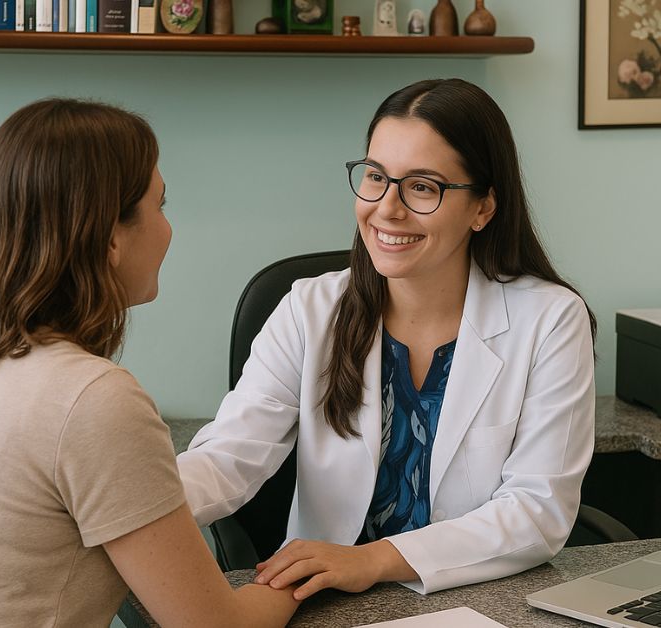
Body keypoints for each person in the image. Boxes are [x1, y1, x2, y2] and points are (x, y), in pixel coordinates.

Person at [0, 99, 297, 627]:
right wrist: (301, 578)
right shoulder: (93, 399)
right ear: (111, 236)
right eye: (161, 205)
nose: (168, 229)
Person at [176, 78, 597, 598]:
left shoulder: (550, 319)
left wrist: (371, 561)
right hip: (327, 601)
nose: (387, 208)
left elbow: (538, 510)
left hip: (474, 596)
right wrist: (126, 512)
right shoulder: (309, 310)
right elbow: (228, 457)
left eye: (422, 186)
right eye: (376, 176)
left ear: (483, 208)